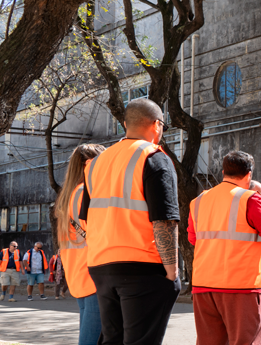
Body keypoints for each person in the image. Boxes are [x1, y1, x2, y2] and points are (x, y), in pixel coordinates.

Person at [79, 98, 181, 344]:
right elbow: (164, 221)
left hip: (101, 266)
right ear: (157, 125)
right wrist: (172, 272)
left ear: (125, 124)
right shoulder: (154, 157)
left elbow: (85, 220)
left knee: (112, 339)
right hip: (142, 267)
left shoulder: (95, 164)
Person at [188, 151, 261, 345]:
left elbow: (193, 238)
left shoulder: (198, 201)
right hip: (241, 287)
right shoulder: (250, 199)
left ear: (223, 172)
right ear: (249, 175)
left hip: (204, 286)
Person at [55, 143, 106, 345]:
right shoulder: (85, 192)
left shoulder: (69, 194)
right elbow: (95, 234)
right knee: (91, 339)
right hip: (93, 275)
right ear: (89, 164)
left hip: (79, 274)